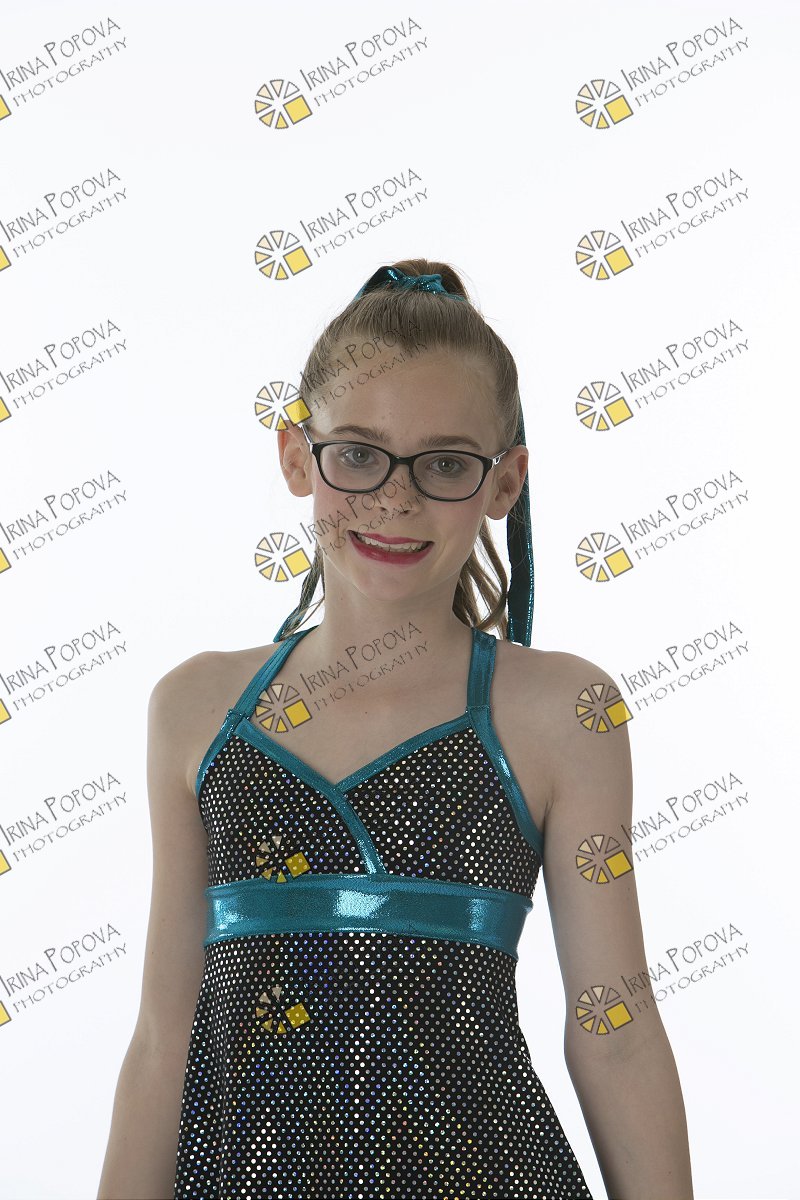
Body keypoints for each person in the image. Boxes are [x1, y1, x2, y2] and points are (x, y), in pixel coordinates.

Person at [97, 259, 693, 1199]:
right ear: (297, 457)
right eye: (359, 454)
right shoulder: (197, 709)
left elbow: (614, 1030)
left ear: (505, 482)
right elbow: (164, 1038)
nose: (395, 498)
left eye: (446, 463)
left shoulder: (562, 712)